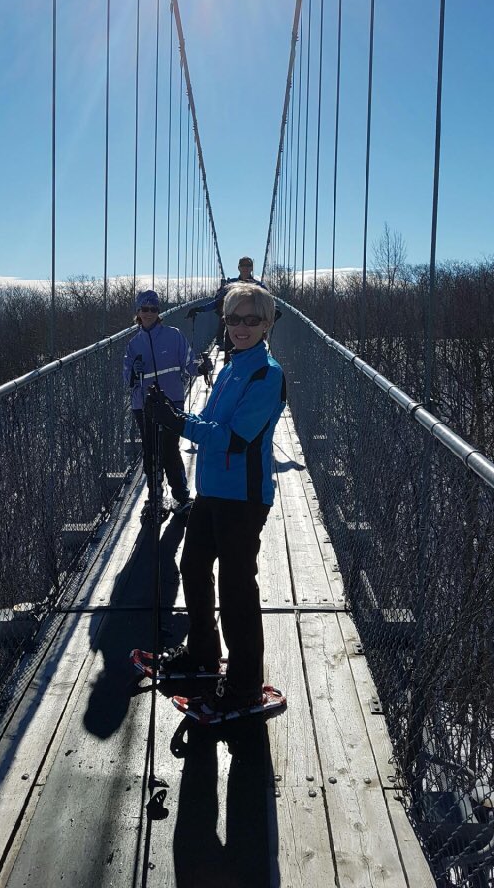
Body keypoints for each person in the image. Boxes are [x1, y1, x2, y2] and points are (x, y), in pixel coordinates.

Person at [145, 284, 286, 716]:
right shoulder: (231, 367)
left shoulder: (266, 375)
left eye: (251, 319)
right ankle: (203, 654)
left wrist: (179, 425)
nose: (241, 327)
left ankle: (244, 687)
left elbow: (237, 439)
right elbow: (208, 420)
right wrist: (178, 415)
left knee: (237, 589)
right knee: (192, 567)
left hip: (243, 498)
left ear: (266, 324)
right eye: (233, 318)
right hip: (211, 491)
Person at [123, 289, 211, 522]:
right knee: (151, 451)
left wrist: (201, 368)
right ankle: (155, 497)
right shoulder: (133, 344)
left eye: (153, 309)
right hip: (143, 404)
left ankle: (181, 497)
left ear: (159, 312)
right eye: (144, 309)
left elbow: (189, 363)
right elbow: (126, 378)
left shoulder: (174, 335)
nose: (149, 313)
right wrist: (133, 373)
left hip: (171, 401)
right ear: (138, 312)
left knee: (170, 449)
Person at [186, 257, 267, 362]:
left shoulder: (259, 286)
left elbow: (268, 303)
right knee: (229, 359)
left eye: (248, 265)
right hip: (234, 326)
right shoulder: (230, 286)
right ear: (238, 268)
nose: (245, 268)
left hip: (253, 327)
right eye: (243, 265)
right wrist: (199, 309)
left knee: (254, 360)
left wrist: (275, 311)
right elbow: (218, 302)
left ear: (252, 268)